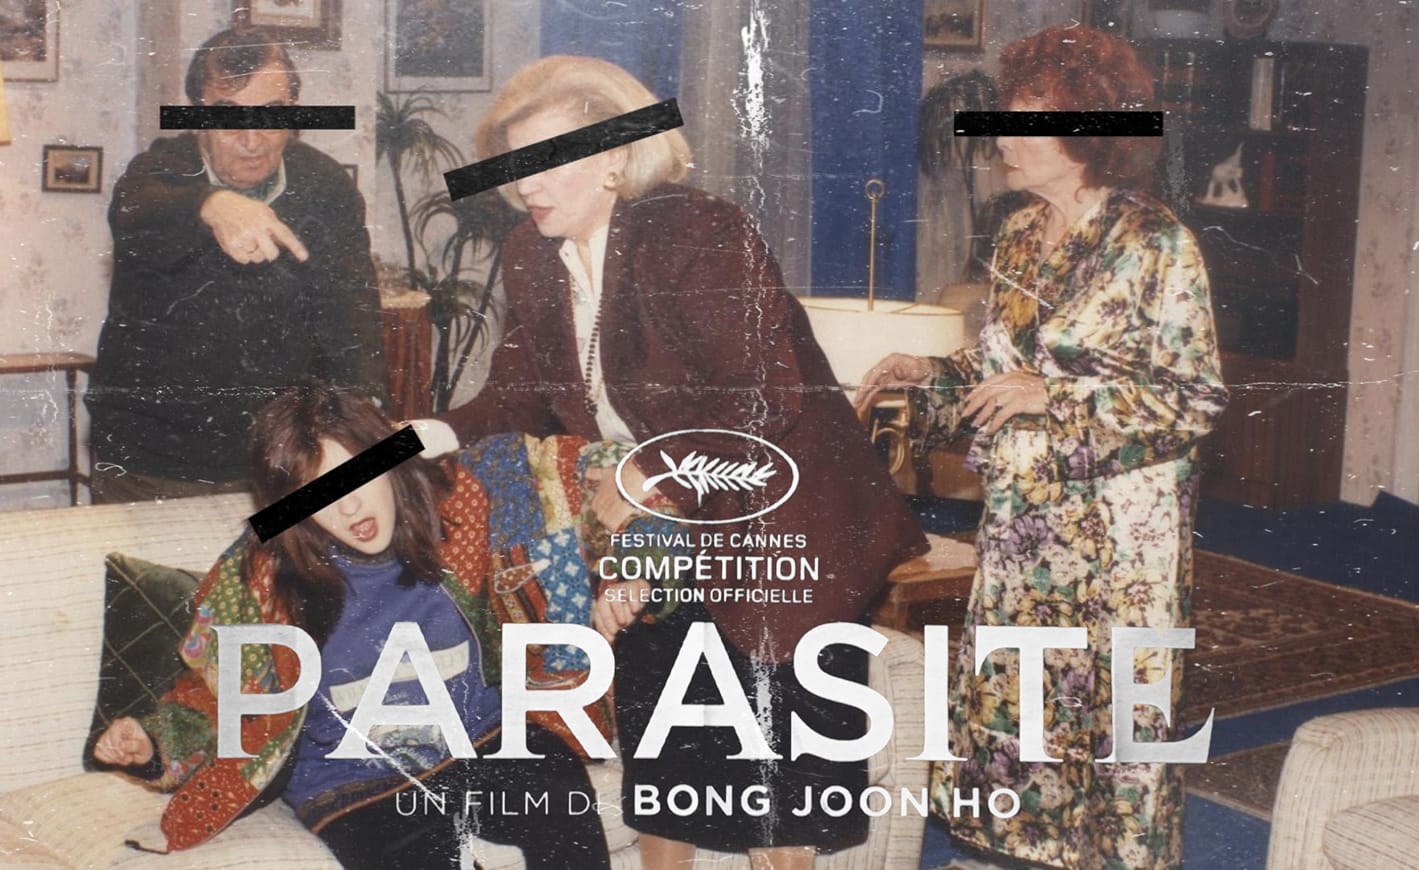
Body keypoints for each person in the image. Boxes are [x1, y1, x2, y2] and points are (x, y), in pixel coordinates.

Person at [408, 55, 928, 869]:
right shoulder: (532, 252)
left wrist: (649, 474)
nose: (526, 185)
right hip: (665, 530)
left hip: (781, 523)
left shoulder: (696, 231)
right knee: (665, 760)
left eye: (546, 161)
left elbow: (762, 398)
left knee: (771, 801)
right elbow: (513, 398)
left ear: (614, 158)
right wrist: (415, 439)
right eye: (514, 165)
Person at [856, 25, 1228, 870]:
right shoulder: (1020, 232)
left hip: (1119, 543)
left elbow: (1192, 398)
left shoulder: (1156, 244)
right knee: (1021, 709)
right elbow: (1000, 371)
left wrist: (1054, 397)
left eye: (1026, 122)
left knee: (1109, 724)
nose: (1003, 139)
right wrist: (930, 371)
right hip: (1025, 528)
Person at [91, 386, 612, 868]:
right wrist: (153, 742)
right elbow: (219, 700)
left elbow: (575, 475)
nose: (349, 504)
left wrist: (635, 520)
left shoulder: (459, 507)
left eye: (359, 475)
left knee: (559, 795)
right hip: (357, 784)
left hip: (480, 740)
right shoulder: (262, 580)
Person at [87, 27, 387, 503]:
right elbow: (136, 206)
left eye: (271, 114)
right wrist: (210, 204)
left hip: (282, 460)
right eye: (228, 117)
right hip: (152, 465)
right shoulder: (156, 172)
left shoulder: (326, 185)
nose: (252, 139)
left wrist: (364, 419)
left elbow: (352, 318)